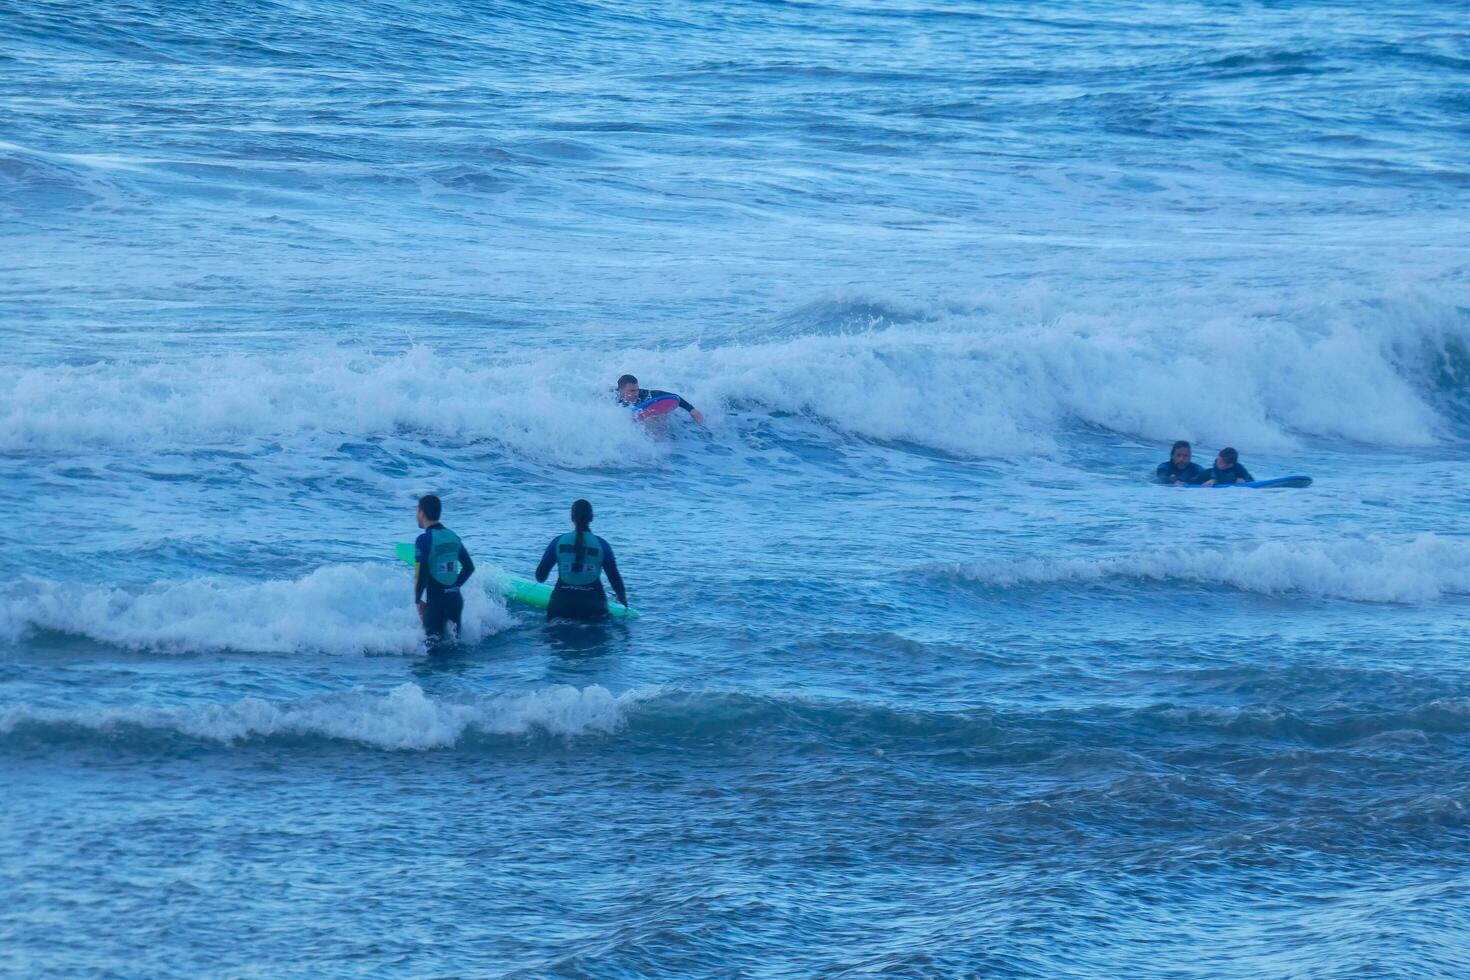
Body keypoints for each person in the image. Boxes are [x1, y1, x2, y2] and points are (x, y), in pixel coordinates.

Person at [535, 499, 628, 621]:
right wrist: (622, 598)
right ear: (591, 518)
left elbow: (540, 577)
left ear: (572, 517)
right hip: (593, 605)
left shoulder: (557, 542)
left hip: (561, 605)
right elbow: (614, 578)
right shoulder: (602, 545)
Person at [413, 494, 475, 644]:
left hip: (436, 604)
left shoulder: (423, 540)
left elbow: (422, 572)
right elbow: (469, 567)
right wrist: (453, 586)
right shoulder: (453, 536)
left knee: (431, 652)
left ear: (422, 512)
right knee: (455, 647)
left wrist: (417, 600)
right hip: (455, 601)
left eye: (416, 511)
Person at [616, 374, 705, 424]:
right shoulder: (611, 397)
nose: (636, 393)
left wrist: (691, 409)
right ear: (621, 391)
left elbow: (674, 397)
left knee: (657, 420)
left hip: (644, 412)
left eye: (637, 390)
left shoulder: (644, 394)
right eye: (631, 391)